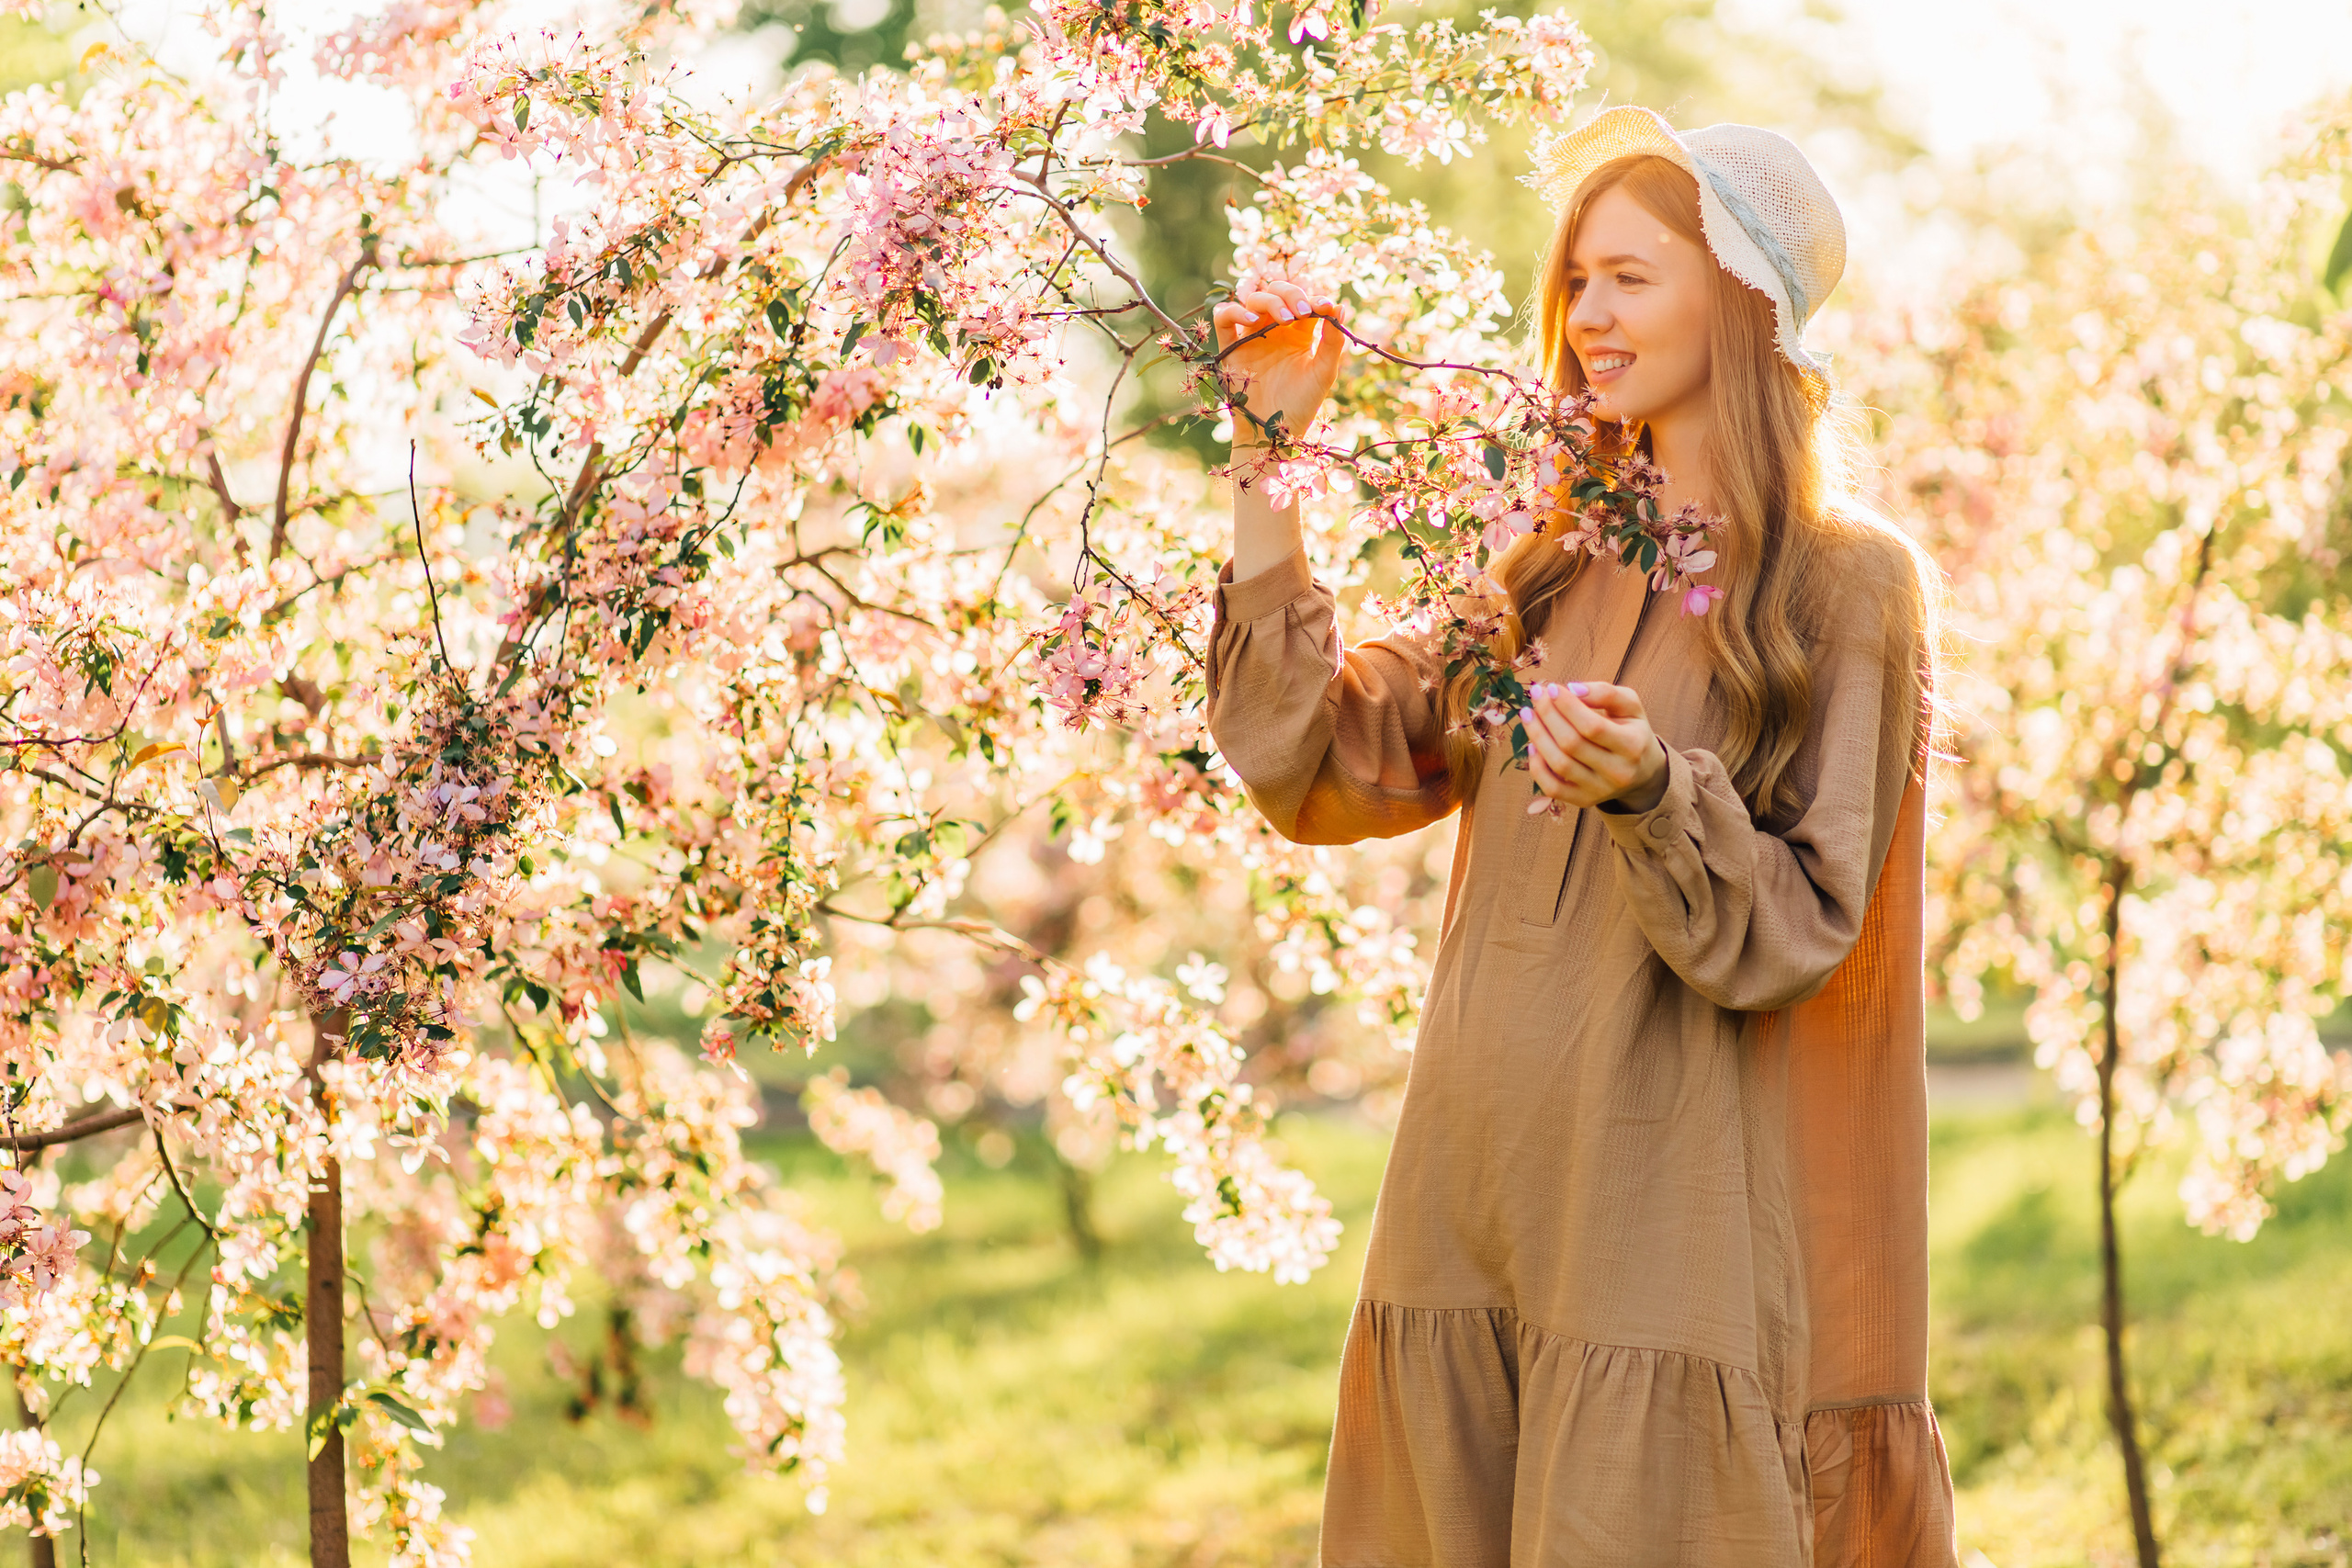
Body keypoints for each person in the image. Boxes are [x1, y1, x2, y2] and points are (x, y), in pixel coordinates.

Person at [1204, 107, 1962, 1565]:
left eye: (1632, 276)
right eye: (1576, 280)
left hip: (1656, 1224)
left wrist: (1650, 790)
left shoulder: (1845, 583)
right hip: (1464, 1203)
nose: (1586, 314)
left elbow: (1801, 927)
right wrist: (1263, 458)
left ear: (1743, 299)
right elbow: (1313, 760)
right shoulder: (1547, 560)